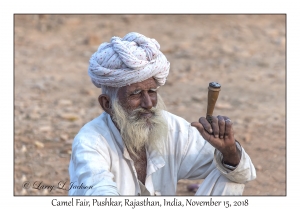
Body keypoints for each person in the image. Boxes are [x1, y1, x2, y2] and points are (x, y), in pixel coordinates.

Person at [68, 32, 256, 196]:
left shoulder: (171, 128)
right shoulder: (90, 142)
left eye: (151, 92)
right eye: (135, 94)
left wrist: (229, 151)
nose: (148, 104)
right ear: (107, 104)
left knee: (229, 174)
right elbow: (101, 194)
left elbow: (244, 173)